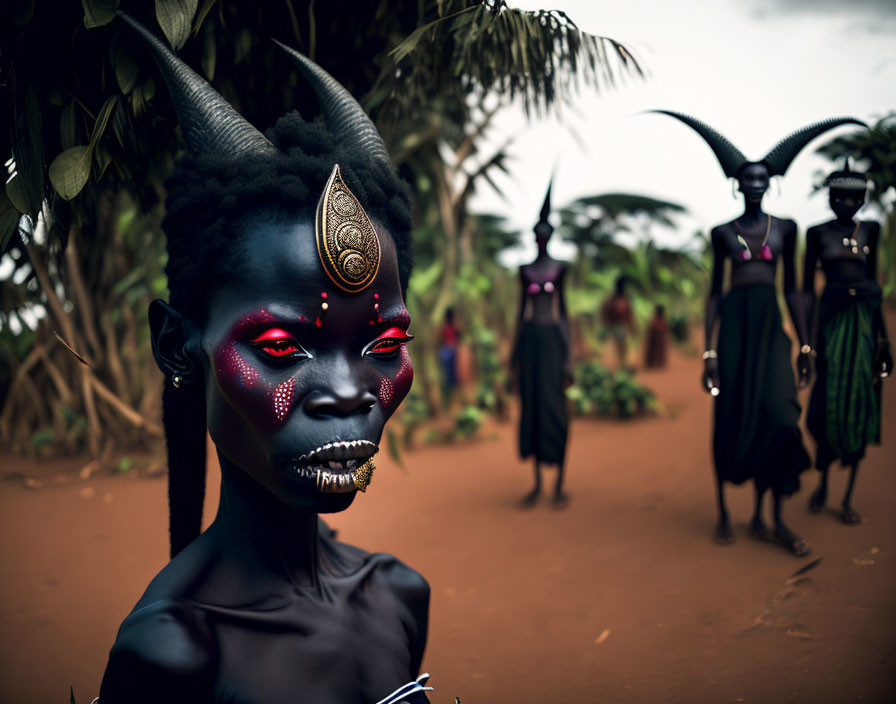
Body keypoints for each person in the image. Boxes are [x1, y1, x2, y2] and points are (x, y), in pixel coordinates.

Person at [98, 15, 433, 703]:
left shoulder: (400, 593)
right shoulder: (173, 656)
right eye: (281, 347)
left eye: (385, 346)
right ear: (177, 346)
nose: (348, 393)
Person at [654, 110, 864, 556]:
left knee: (780, 414)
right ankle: (728, 513)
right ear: (736, 183)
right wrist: (708, 353)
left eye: (762, 177)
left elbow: (795, 291)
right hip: (734, 332)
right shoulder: (722, 232)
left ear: (771, 183)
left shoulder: (785, 229)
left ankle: (774, 518)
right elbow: (713, 294)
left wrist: (805, 343)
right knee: (731, 415)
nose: (755, 183)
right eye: (747, 178)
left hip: (770, 331)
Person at [804, 159, 891, 524]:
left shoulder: (871, 230)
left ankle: (848, 496)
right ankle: (823, 481)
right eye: (839, 196)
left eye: (854, 197)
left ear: (864, 200)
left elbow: (876, 288)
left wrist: (884, 341)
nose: (846, 203)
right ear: (829, 198)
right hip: (831, 325)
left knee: (860, 404)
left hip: (864, 327)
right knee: (827, 403)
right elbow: (807, 291)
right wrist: (808, 344)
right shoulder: (816, 234)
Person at [513, 179, 572, 508]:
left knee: (556, 411)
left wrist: (568, 359)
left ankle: (559, 484)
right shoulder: (524, 271)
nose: (541, 234)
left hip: (552, 343)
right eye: (537, 230)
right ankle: (537, 484)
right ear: (533, 235)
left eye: (546, 230)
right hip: (531, 343)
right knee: (533, 408)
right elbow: (519, 313)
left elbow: (564, 314)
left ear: (551, 234)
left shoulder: (561, 269)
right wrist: (513, 357)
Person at [601, 276, 636, 370]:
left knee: (622, 349)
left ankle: (622, 366)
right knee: (618, 349)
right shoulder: (614, 301)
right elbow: (607, 314)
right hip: (616, 327)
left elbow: (628, 315)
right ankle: (620, 367)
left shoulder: (620, 300)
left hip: (620, 328)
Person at [438, 307, 461, 408]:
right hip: (451, 351)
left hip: (444, 352)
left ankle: (447, 401)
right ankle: (449, 401)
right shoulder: (454, 326)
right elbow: (459, 337)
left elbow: (440, 340)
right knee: (452, 376)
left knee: (447, 376)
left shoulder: (444, 327)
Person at [644, 304, 669, 369]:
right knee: (656, 350)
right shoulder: (656, 319)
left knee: (658, 350)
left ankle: (658, 362)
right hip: (656, 338)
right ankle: (656, 362)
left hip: (658, 338)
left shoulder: (659, 319)